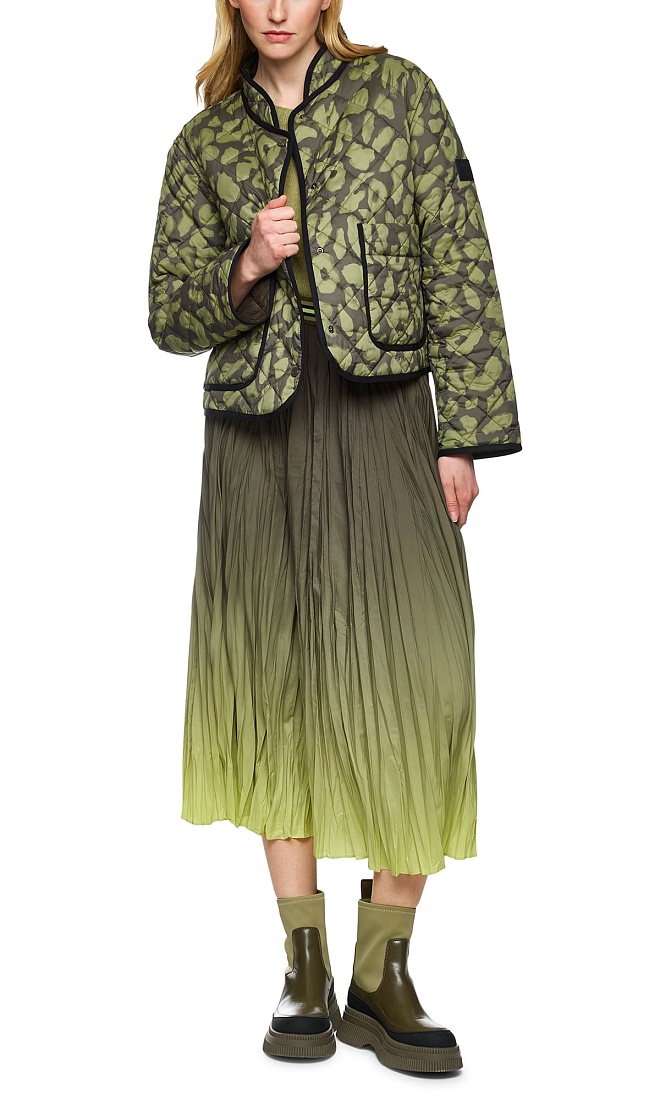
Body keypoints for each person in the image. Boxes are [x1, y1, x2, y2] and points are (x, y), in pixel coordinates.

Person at [147, 0, 522, 1074]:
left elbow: (459, 260)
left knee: (424, 676)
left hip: (388, 415)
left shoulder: (401, 97)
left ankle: (382, 970)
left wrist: (465, 434)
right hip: (257, 433)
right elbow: (168, 314)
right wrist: (245, 266)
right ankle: (305, 964)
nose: (277, 9)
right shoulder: (206, 141)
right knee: (274, 678)